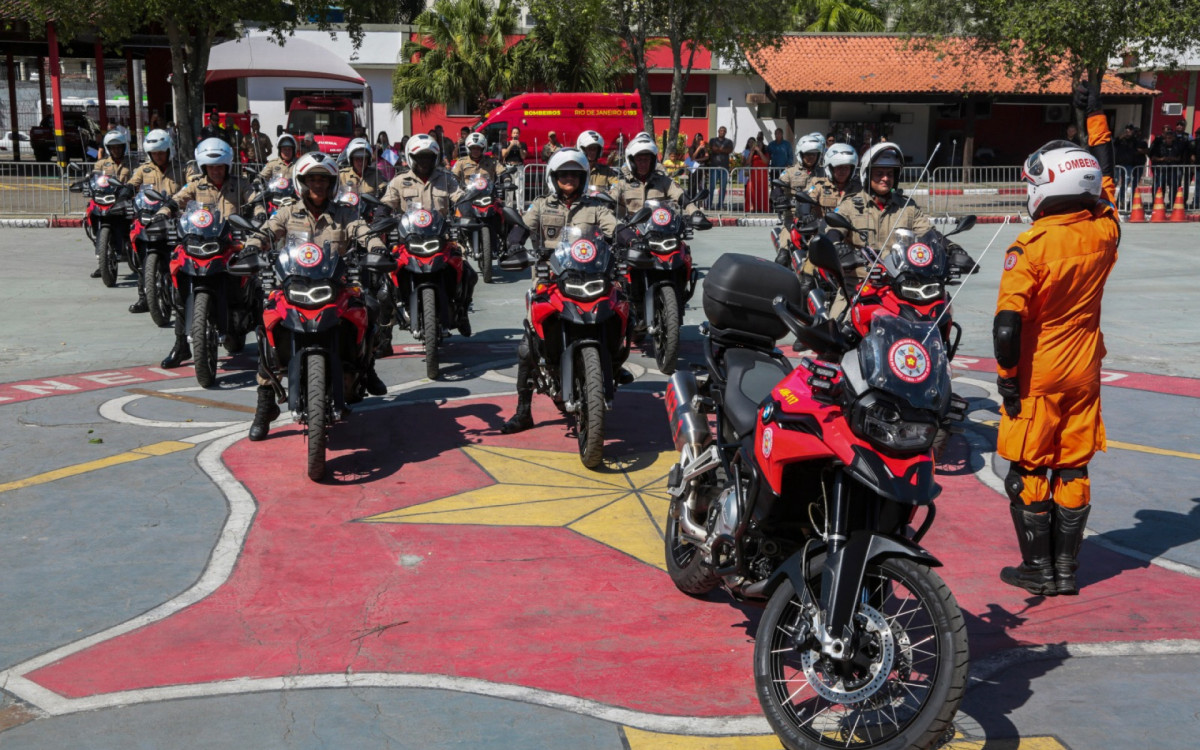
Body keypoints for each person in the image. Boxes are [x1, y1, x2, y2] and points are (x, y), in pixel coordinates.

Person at [994, 83, 1120, 598]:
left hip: (1038, 372)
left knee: (1026, 469)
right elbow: (1106, 177)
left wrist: (1006, 380)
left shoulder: (1030, 247)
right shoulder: (1104, 234)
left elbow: (1006, 325)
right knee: (1072, 465)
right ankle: (1067, 570)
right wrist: (1096, 120)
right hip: (1085, 369)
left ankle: (1036, 569)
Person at [240, 152, 389, 441]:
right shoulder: (287, 212)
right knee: (266, 326)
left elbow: (362, 230)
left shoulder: (345, 213)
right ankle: (265, 407)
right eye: (312, 179)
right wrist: (252, 245)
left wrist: (376, 246)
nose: (318, 185)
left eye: (323, 179)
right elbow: (267, 231)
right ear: (301, 183)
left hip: (335, 288)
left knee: (370, 306)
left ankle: (367, 367)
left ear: (332, 183)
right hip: (292, 288)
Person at [499, 148, 622, 435]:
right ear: (553, 177)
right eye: (564, 174)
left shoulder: (596, 207)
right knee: (526, 348)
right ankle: (523, 412)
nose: (569, 179)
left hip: (591, 278)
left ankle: (614, 364)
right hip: (550, 281)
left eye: (575, 174)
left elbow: (613, 227)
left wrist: (628, 236)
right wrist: (515, 241)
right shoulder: (541, 205)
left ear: (583, 177)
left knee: (618, 313)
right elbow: (523, 227)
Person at [156, 138, 265, 369]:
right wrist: (164, 212)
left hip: (230, 245)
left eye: (220, 166)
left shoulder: (240, 184)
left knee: (256, 283)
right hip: (198, 244)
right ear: (203, 167)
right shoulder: (196, 185)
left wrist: (260, 214)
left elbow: (256, 200)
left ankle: (268, 346)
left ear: (227, 166)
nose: (216, 170)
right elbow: (178, 200)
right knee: (179, 287)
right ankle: (181, 346)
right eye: (211, 167)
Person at [835, 141, 979, 276]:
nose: (885, 178)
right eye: (879, 174)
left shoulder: (908, 207)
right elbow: (833, 231)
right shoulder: (850, 205)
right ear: (867, 175)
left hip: (900, 279)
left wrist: (952, 248)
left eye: (890, 174)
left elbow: (929, 234)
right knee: (842, 303)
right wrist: (839, 248)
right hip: (859, 283)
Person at [380, 134, 475, 335]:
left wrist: (468, 213)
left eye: (429, 157)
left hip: (442, 240)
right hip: (408, 241)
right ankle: (384, 333)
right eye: (421, 157)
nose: (425, 161)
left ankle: (462, 312)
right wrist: (381, 216)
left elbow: (460, 198)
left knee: (469, 273)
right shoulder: (399, 181)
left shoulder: (447, 179)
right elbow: (386, 204)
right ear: (411, 157)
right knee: (384, 283)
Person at [124, 128, 185, 313]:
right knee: (143, 260)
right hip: (149, 219)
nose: (158, 156)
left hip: (176, 220)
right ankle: (144, 298)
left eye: (161, 152)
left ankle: (182, 296)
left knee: (182, 259)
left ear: (169, 150)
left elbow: (194, 183)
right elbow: (134, 182)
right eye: (154, 153)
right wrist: (126, 190)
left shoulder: (182, 167)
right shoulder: (144, 169)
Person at [88, 130, 134, 277]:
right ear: (108, 148)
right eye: (113, 147)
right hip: (104, 200)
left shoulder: (132, 163)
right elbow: (93, 178)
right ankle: (102, 261)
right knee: (90, 211)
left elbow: (139, 180)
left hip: (125, 201)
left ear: (124, 147)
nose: (116, 150)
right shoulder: (102, 163)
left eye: (119, 147)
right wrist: (86, 184)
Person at [612, 133, 687, 219]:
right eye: (639, 160)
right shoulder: (623, 182)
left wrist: (695, 212)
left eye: (646, 159)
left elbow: (679, 194)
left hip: (658, 226)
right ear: (632, 162)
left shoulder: (663, 180)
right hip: (630, 229)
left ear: (652, 161)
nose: (643, 164)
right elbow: (609, 200)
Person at [1149, 125, 1188, 210]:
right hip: (1161, 169)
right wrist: (1162, 159)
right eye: (1167, 137)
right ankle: (1157, 203)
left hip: (1173, 169)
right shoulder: (1158, 144)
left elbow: (1180, 157)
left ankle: (1172, 203)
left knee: (1174, 187)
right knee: (1159, 187)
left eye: (1170, 138)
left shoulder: (1177, 146)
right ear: (1165, 138)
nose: (1169, 139)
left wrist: (1173, 158)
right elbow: (1153, 157)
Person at [577, 130, 621, 194]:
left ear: (599, 151)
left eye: (594, 149)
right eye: (589, 148)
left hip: (601, 203)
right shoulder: (575, 171)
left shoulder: (606, 171)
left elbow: (618, 183)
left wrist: (613, 192)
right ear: (583, 149)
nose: (592, 152)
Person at [1113, 124, 1147, 208]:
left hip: (1128, 165)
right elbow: (1114, 142)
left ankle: (1120, 200)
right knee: (1115, 181)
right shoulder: (1120, 139)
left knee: (1126, 182)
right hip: (1118, 164)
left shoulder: (1134, 140)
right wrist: (1123, 136)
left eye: (1130, 131)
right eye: (1127, 130)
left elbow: (1138, 149)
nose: (1128, 132)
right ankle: (1111, 200)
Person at [707, 126, 734, 210]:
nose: (722, 132)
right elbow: (712, 149)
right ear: (718, 131)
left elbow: (729, 150)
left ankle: (720, 205)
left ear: (725, 132)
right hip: (714, 167)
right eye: (721, 130)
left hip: (724, 168)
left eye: (724, 131)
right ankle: (709, 204)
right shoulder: (713, 140)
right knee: (712, 186)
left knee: (723, 187)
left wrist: (719, 150)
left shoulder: (729, 141)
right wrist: (721, 150)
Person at [742, 136, 769, 213]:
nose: (758, 146)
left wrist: (759, 151)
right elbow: (747, 162)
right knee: (750, 191)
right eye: (757, 145)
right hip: (753, 176)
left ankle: (763, 208)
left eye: (760, 145)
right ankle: (751, 208)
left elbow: (766, 162)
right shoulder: (753, 154)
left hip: (762, 177)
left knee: (762, 193)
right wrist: (752, 152)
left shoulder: (766, 154)